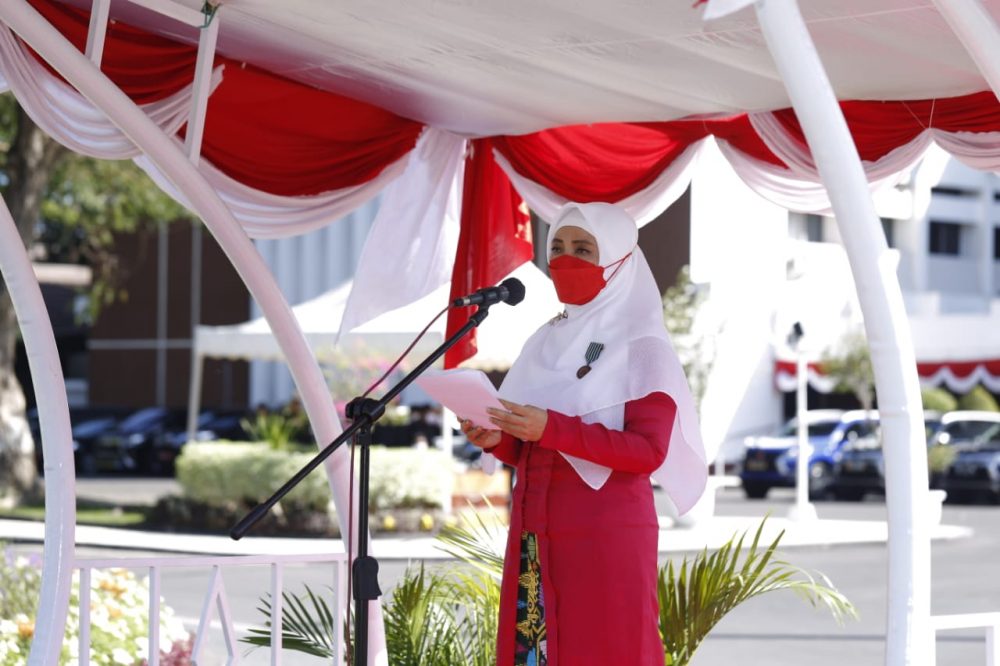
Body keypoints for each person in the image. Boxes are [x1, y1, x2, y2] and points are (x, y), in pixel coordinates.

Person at [460, 202, 707, 666]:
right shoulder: (545, 340)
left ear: (617, 258)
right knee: (535, 653)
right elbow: (536, 446)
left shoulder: (644, 346)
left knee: (606, 651)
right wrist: (499, 439)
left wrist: (551, 427)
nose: (565, 259)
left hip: (604, 536)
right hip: (535, 531)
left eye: (583, 249)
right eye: (556, 247)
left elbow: (648, 451)